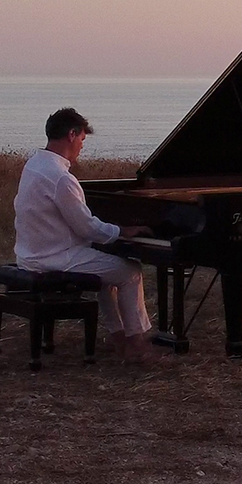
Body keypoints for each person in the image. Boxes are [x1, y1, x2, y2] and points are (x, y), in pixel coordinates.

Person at [14, 108, 159, 362]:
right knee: (130, 272)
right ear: (71, 134)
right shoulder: (61, 178)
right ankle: (136, 344)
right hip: (54, 257)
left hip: (29, 254)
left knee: (107, 271)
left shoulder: (34, 165)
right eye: (82, 139)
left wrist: (108, 233)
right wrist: (122, 231)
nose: (82, 146)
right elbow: (87, 228)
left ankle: (119, 337)